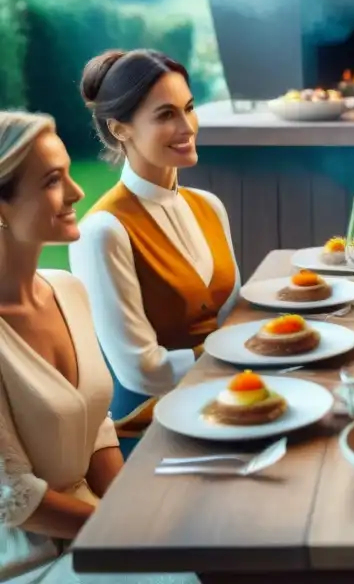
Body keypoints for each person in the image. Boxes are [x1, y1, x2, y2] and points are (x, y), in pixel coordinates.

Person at [0, 111, 195, 584]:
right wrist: (123, 529)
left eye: (69, 173)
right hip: (28, 560)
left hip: (96, 527)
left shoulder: (68, 290)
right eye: (52, 181)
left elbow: (97, 429)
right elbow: (17, 498)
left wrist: (132, 513)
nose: (76, 192)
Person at [68, 50, 240, 457]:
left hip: (228, 400)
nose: (187, 127)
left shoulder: (210, 206)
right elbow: (141, 370)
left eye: (189, 108)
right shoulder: (103, 231)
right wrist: (236, 351)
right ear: (120, 128)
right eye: (165, 115)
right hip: (151, 429)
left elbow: (234, 316)